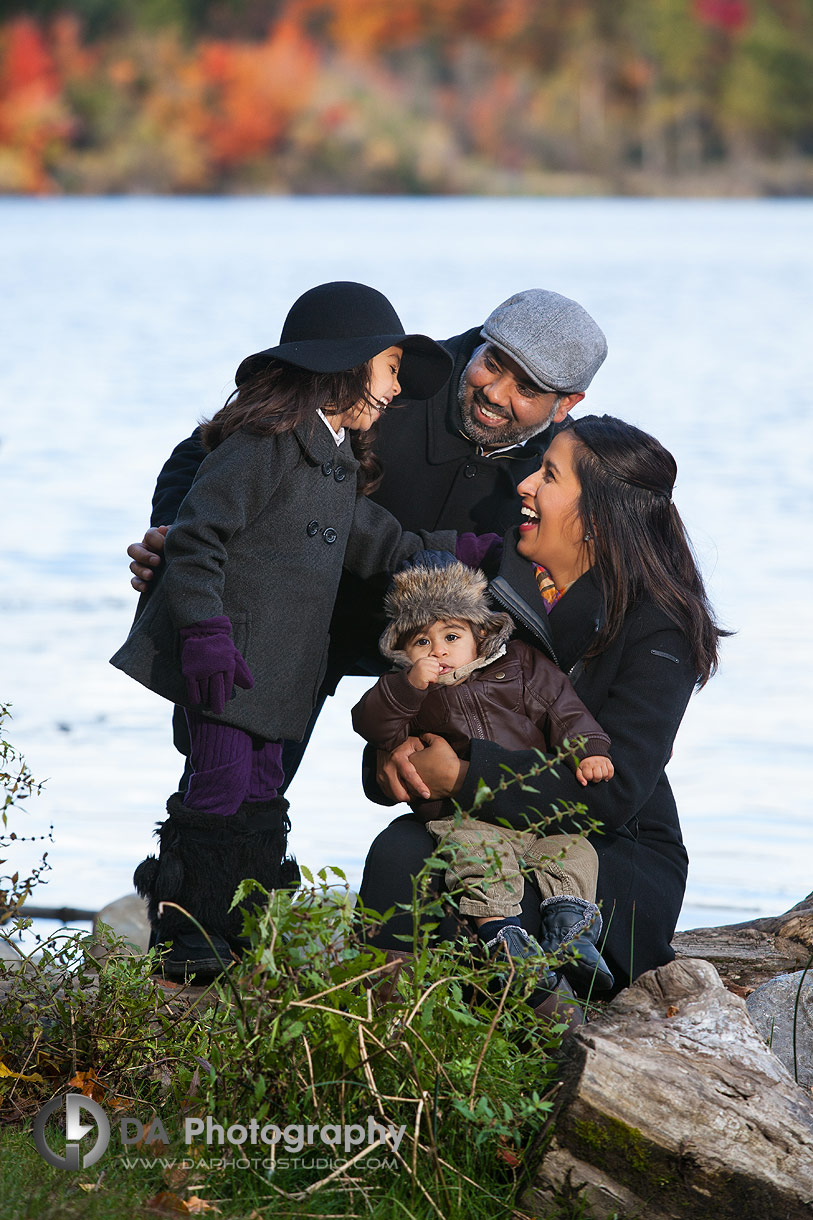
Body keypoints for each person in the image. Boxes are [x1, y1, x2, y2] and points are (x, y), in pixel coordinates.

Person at [110, 281, 458, 980]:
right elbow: (197, 536)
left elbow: (366, 535)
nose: (394, 390)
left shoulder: (333, 456)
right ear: (347, 362)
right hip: (229, 659)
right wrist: (205, 632)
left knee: (265, 791)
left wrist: (442, 557)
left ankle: (239, 931)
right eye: (390, 369)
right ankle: (186, 941)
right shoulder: (263, 444)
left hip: (285, 671)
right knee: (217, 788)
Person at [126, 289, 609, 790]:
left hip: (439, 661)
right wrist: (174, 536)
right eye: (493, 363)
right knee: (230, 785)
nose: (494, 392)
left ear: (566, 404)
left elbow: (581, 574)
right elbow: (210, 451)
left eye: (527, 389)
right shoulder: (379, 375)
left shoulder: (568, 466)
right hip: (280, 625)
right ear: (481, 341)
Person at [359, 415, 728, 999]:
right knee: (398, 852)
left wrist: (463, 774)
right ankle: (392, 1051)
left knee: (511, 910)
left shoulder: (660, 625)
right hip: (483, 827)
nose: (525, 485)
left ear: (598, 517)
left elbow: (614, 791)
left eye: (549, 476)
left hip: (609, 845)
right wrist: (391, 759)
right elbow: (409, 703)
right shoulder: (484, 591)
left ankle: (544, 1052)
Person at [351, 558, 615, 993]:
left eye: (451, 637)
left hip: (532, 814)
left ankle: (573, 932)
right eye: (422, 642)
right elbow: (371, 723)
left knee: (575, 851)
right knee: (479, 858)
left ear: (481, 636)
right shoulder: (412, 693)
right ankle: (503, 936)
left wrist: (590, 750)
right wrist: (408, 687)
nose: (438, 650)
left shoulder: (522, 667)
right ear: (403, 652)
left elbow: (564, 711)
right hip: (464, 817)